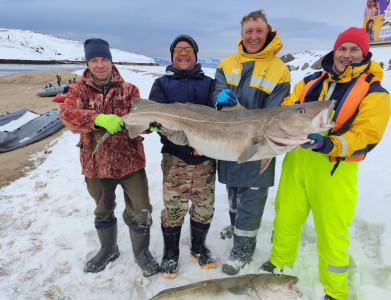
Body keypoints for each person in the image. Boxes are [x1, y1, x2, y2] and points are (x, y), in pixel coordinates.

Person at [261, 27, 391, 300]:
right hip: (297, 161)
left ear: (365, 52)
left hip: (335, 170)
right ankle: (278, 264)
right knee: (285, 218)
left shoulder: (375, 91)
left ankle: (335, 290)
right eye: (342, 48)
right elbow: (287, 105)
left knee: (332, 231)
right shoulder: (309, 81)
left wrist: (328, 144)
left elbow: (367, 135)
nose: (347, 55)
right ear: (334, 50)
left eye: (354, 49)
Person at [60, 38, 160, 277]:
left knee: (141, 209)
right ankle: (108, 249)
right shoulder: (78, 90)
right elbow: (67, 115)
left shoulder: (129, 90)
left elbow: (140, 122)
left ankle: (141, 253)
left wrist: (152, 125)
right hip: (96, 164)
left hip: (131, 163)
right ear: (88, 63)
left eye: (104, 59)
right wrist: (96, 119)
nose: (100, 65)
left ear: (110, 61)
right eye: (94, 60)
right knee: (103, 210)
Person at [212, 10, 291, 275]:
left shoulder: (279, 70)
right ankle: (237, 230)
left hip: (262, 142)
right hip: (229, 140)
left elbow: (274, 112)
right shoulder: (226, 62)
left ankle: (243, 251)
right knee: (233, 193)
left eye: (259, 31)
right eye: (249, 31)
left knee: (252, 199)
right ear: (242, 34)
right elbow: (217, 92)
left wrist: (240, 112)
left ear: (267, 32)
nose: (254, 36)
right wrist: (219, 100)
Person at [148, 34, 217, 278]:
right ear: (172, 55)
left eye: (188, 49)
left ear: (196, 55)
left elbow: (218, 116)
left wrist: (204, 143)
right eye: (178, 49)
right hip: (175, 157)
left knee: (204, 207)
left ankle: (198, 248)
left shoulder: (209, 83)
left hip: (206, 158)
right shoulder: (162, 84)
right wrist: (156, 124)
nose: (183, 53)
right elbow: (155, 116)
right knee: (174, 208)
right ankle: (170, 253)